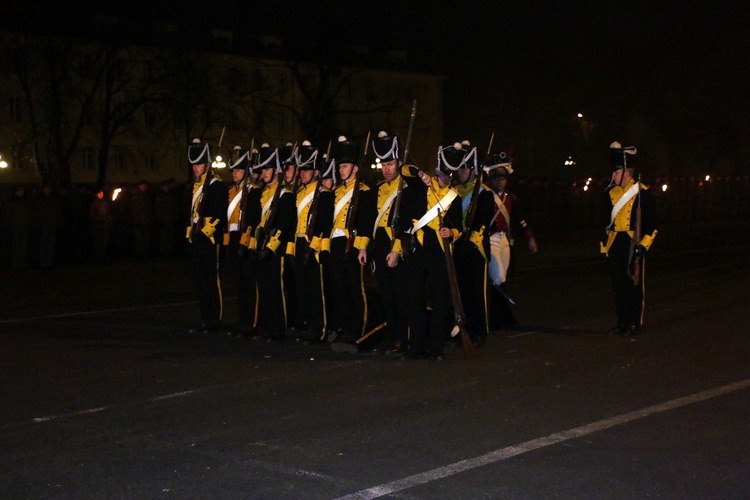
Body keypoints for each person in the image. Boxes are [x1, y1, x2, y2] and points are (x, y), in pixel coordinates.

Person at [398, 143, 464, 360]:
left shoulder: (454, 197)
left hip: (439, 251)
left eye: (449, 175)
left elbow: (460, 229)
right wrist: (420, 174)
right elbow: (404, 169)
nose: (445, 179)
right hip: (418, 246)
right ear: (437, 169)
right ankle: (416, 346)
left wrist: (451, 232)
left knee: (439, 300)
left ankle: (436, 348)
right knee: (414, 297)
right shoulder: (421, 184)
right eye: (443, 173)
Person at [600, 141, 658, 336]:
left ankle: (634, 322)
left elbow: (653, 224)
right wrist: (603, 246)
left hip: (633, 242)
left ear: (626, 172)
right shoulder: (609, 193)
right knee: (618, 286)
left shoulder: (642, 192)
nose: (612, 176)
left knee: (634, 285)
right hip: (615, 242)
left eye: (615, 172)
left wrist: (644, 245)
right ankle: (622, 322)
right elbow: (603, 223)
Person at [327, 136, 377, 353]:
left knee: (356, 288)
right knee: (341, 288)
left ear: (355, 168)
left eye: (345, 166)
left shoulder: (364, 191)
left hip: (353, 243)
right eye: (340, 166)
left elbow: (366, 222)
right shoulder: (337, 192)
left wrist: (362, 246)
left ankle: (359, 326)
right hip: (336, 243)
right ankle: (345, 325)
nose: (341, 170)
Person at [366, 131, 412, 356]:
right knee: (386, 294)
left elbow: (407, 224)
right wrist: (365, 246)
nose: (386, 169)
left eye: (391, 164)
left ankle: (402, 338)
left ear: (399, 164)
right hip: (380, 244)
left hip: (398, 245)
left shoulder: (406, 190)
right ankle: (391, 335)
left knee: (399, 295)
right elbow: (368, 221)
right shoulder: (378, 189)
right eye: (383, 164)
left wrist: (396, 250)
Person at [483, 147, 538, 328]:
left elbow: (518, 219)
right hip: (490, 240)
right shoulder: (484, 197)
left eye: (503, 178)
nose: (501, 181)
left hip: (505, 240)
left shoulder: (510, 198)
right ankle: (505, 317)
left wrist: (529, 237)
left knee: (502, 279)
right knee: (498, 278)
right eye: (497, 178)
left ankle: (496, 317)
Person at [286, 141, 332, 343]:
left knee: (316, 290)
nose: (303, 173)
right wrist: (290, 248)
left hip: (313, 246)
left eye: (308, 170)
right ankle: (308, 325)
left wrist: (313, 248)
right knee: (302, 289)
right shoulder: (298, 193)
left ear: (315, 172)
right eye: (301, 169)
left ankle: (320, 327)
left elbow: (324, 222)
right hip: (298, 243)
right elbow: (292, 224)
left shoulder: (322, 194)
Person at [452, 142, 496, 346]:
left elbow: (483, 222)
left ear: (472, 169)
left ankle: (479, 331)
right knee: (461, 292)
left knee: (477, 292)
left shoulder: (484, 193)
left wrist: (471, 240)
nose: (460, 172)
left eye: (464, 168)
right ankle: (464, 329)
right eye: (459, 168)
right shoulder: (455, 192)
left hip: (475, 248)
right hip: (458, 245)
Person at [185, 138, 228, 335]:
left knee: (212, 279)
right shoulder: (195, 186)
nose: (195, 168)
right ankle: (205, 317)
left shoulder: (216, 185)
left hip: (210, 239)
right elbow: (193, 215)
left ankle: (215, 318)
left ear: (208, 165)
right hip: (197, 238)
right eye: (193, 164)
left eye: (199, 164)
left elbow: (219, 214)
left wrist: (204, 233)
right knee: (200, 280)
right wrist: (190, 235)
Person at [255, 143, 297, 340]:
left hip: (275, 249)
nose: (263, 173)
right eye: (262, 169)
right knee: (264, 287)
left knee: (276, 289)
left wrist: (271, 248)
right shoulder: (263, 193)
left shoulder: (285, 195)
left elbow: (283, 225)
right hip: (261, 245)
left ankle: (279, 327)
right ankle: (268, 325)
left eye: (267, 169)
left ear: (276, 171)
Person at [224, 146, 261, 337]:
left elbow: (254, 219)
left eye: (238, 170)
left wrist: (245, 242)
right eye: (233, 170)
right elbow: (227, 219)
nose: (235, 173)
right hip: (233, 238)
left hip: (245, 239)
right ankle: (241, 320)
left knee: (248, 283)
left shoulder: (253, 192)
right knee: (238, 284)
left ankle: (251, 321)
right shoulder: (230, 191)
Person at [34, 184, 64, 269]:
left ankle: (48, 262)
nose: (47, 190)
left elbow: (58, 212)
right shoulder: (39, 200)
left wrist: (59, 222)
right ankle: (43, 262)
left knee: (50, 243)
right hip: (43, 225)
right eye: (46, 189)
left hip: (52, 224)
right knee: (43, 244)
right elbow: (37, 213)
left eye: (49, 189)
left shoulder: (54, 200)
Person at [89, 186, 113, 265]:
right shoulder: (93, 203)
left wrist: (109, 222)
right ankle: (96, 260)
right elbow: (92, 214)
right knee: (97, 243)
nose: (101, 194)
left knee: (104, 243)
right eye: (99, 193)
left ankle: (102, 259)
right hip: (97, 226)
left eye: (102, 193)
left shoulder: (105, 203)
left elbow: (108, 213)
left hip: (105, 226)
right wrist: (100, 219)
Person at [130, 179, 153, 260]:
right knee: (140, 239)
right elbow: (134, 210)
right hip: (140, 221)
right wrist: (137, 221)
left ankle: (144, 255)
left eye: (145, 185)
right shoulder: (136, 196)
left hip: (146, 221)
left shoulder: (146, 195)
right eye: (143, 185)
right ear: (139, 186)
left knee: (145, 239)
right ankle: (140, 256)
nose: (145, 187)